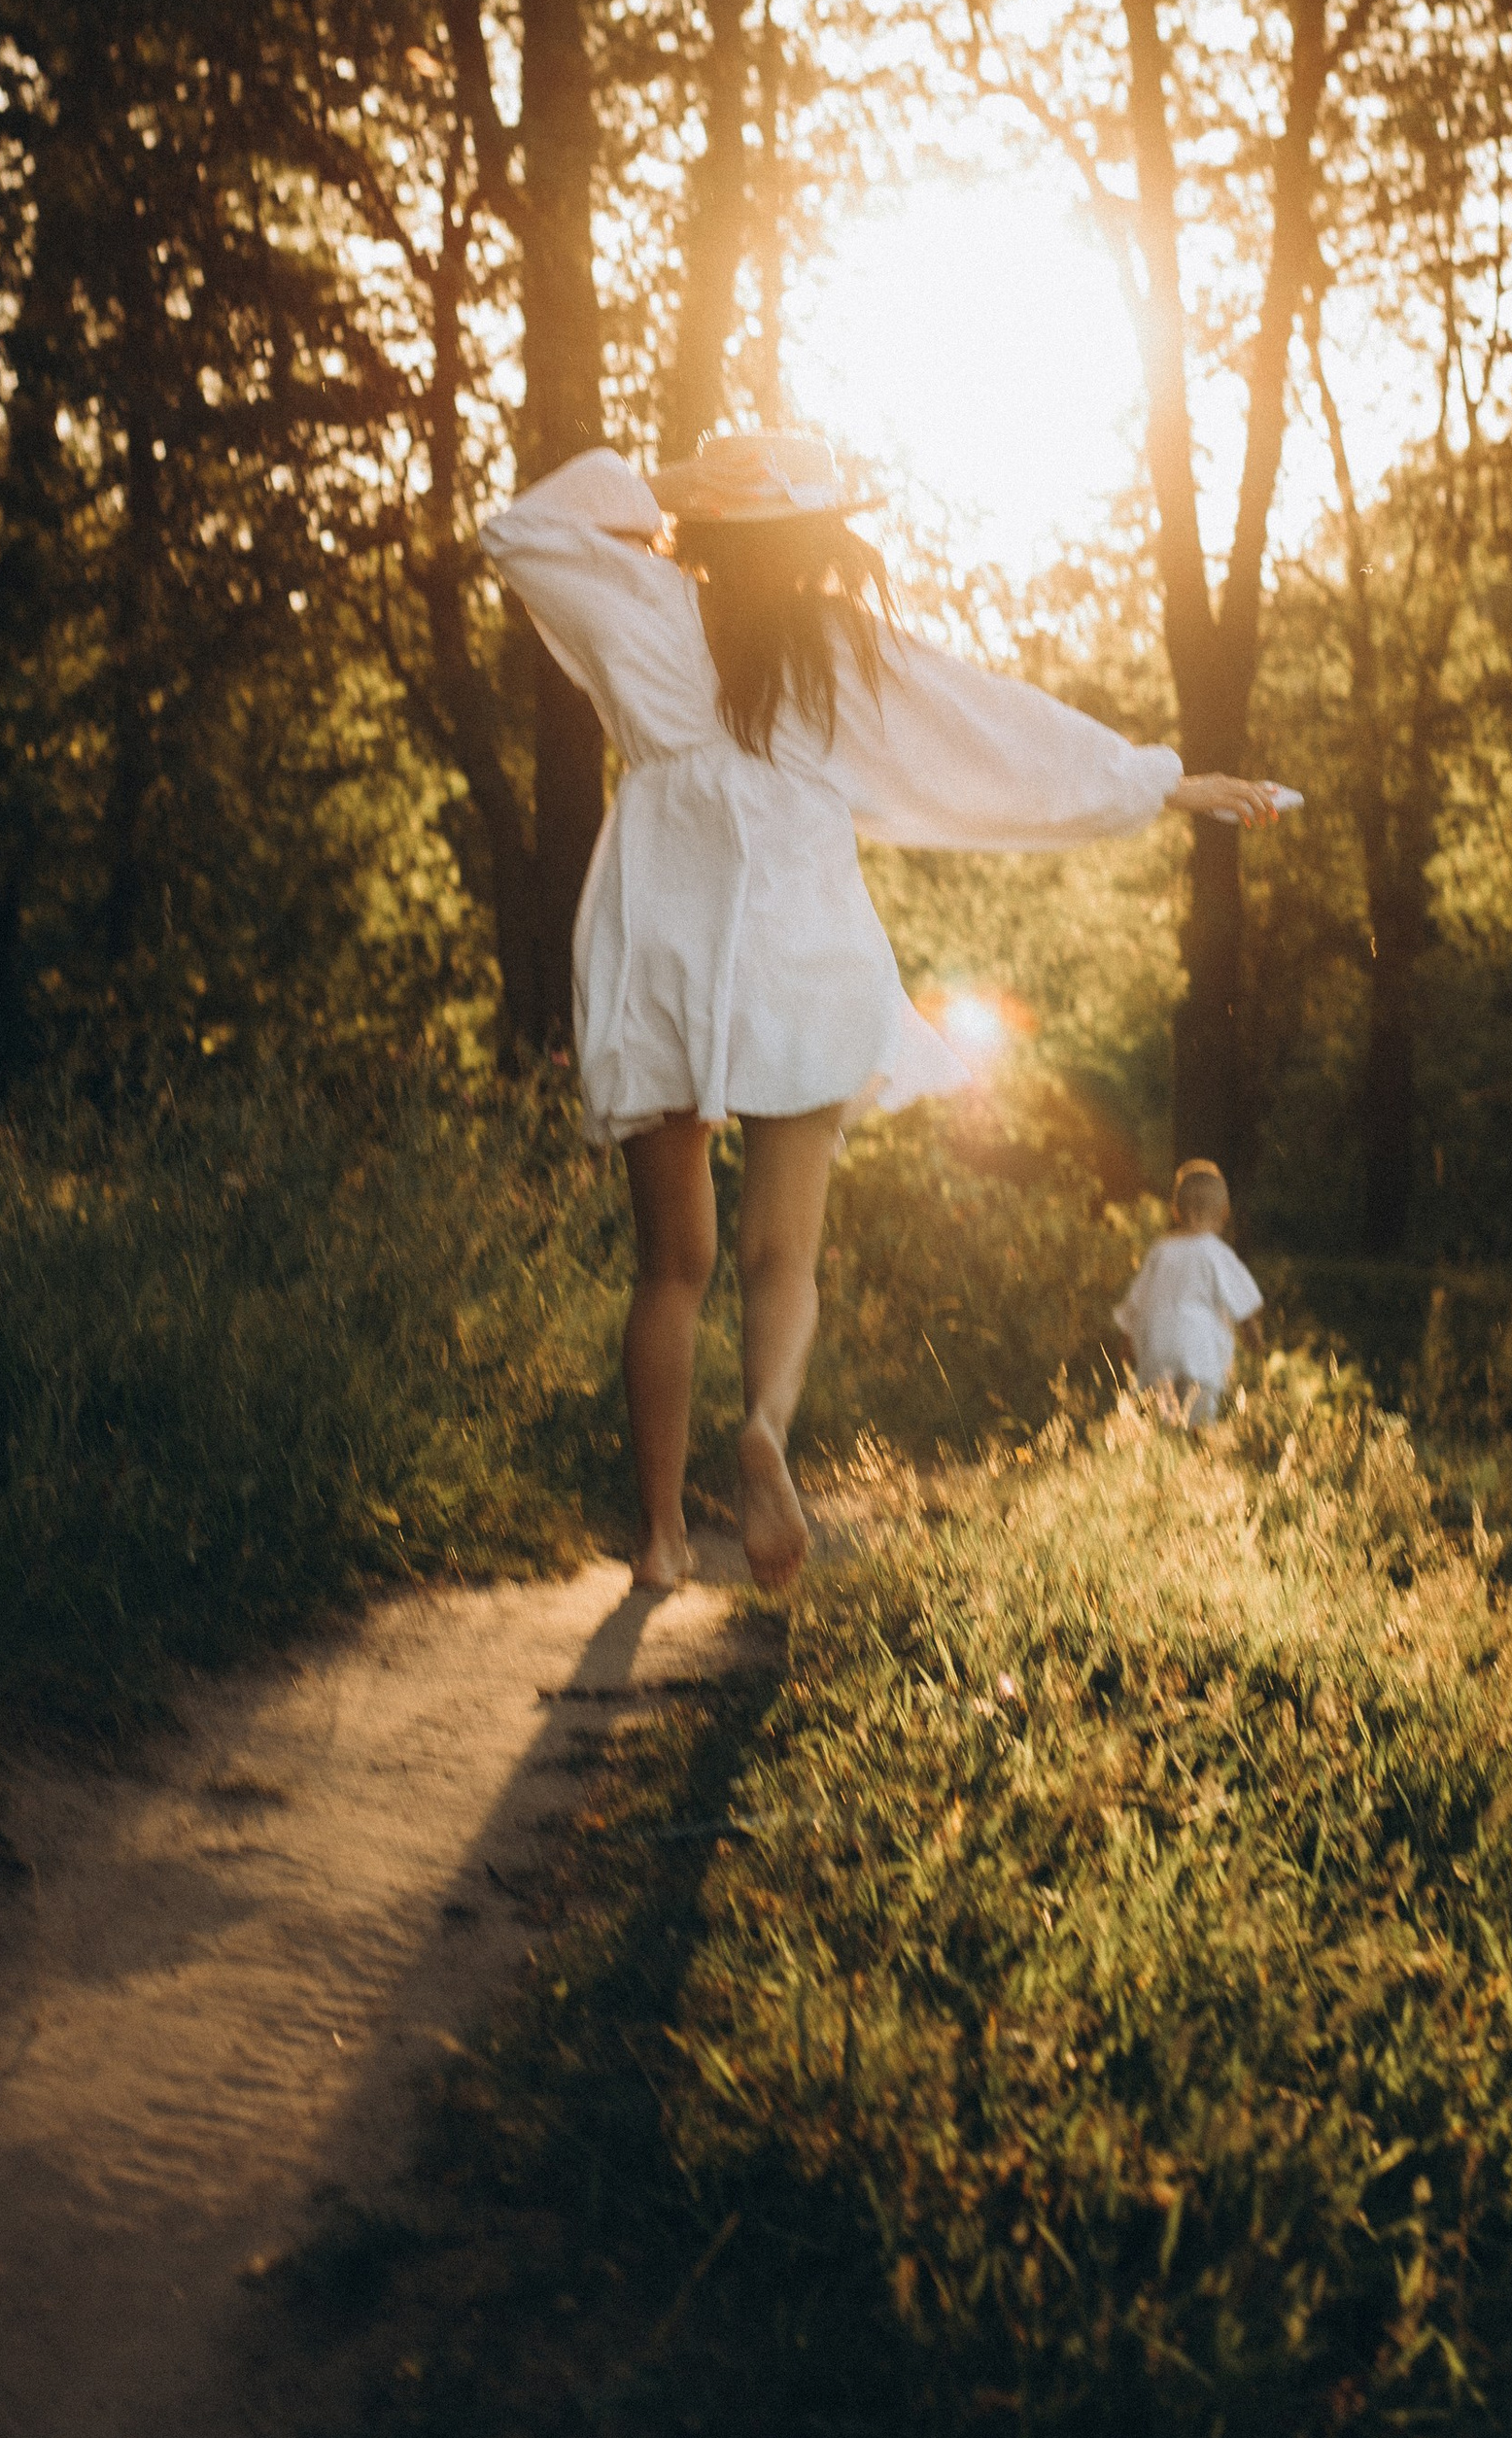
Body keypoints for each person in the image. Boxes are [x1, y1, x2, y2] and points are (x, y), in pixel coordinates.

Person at [479, 429, 1289, 1597]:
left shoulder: (642, 604)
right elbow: (994, 729)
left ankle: (659, 1538)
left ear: (706, 527)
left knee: (671, 1266)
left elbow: (519, 531)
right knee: (782, 1256)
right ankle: (763, 1425)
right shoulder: (835, 649)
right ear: (817, 536)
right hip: (799, 943)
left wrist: (662, 487)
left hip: (664, 930)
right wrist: (1159, 780)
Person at [1112, 1161, 1263, 1427]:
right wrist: (1255, 1342)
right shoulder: (1218, 1253)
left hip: (1159, 1347)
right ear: (1224, 1212)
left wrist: (1127, 1345)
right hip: (1201, 1351)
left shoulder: (1161, 1251)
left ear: (1175, 1210)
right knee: (1198, 1426)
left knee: (1164, 1425)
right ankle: (1195, 1444)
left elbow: (1135, 1304)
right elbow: (1245, 1307)